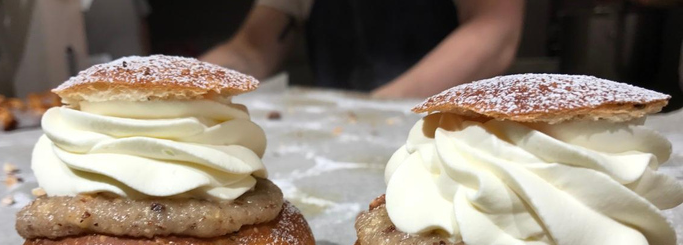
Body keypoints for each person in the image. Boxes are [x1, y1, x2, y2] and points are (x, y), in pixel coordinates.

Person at [202, 0, 524, 98]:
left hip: (442, 131)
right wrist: (178, 84)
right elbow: (251, 48)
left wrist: (377, 106)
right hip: (336, 137)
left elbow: (495, 29)